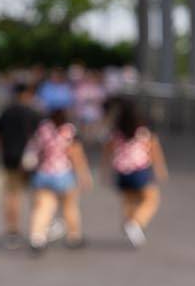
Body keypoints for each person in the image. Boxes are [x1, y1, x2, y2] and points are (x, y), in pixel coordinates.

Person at [24, 110, 91, 254]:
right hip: (63, 174)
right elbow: (76, 155)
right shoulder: (69, 131)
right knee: (69, 207)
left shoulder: (42, 130)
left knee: (43, 207)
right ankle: (74, 237)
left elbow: (34, 150)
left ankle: (37, 237)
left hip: (43, 173)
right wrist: (84, 175)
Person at [105, 96, 167, 247]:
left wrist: (105, 171)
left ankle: (130, 226)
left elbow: (108, 152)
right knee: (151, 199)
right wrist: (160, 168)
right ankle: (136, 223)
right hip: (139, 170)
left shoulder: (116, 133)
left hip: (121, 170)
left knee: (129, 201)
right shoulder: (143, 131)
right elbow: (154, 151)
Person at [0, 79, 43, 248]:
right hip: (30, 160)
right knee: (37, 196)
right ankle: (38, 229)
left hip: (9, 158)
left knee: (12, 195)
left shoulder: (5, 112)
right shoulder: (33, 113)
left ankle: (12, 231)